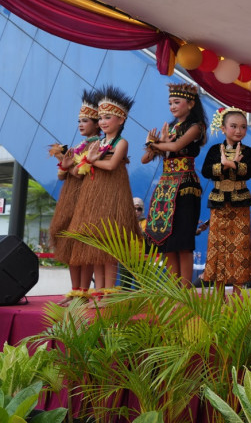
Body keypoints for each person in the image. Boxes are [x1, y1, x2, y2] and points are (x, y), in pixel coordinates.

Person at [66, 86, 142, 293]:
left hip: (113, 197)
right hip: (95, 197)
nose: (102, 122)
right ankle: (98, 293)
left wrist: (91, 161)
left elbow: (111, 165)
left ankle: (108, 293)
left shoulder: (121, 143)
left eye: (107, 117)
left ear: (121, 119)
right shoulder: (98, 142)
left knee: (109, 247)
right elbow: (81, 168)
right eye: (100, 118)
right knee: (96, 249)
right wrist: (77, 163)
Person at [143, 83, 207, 285]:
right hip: (165, 187)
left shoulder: (196, 127)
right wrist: (156, 144)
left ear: (190, 103)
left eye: (176, 102)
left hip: (185, 185)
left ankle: (185, 288)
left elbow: (177, 145)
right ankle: (173, 289)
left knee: (183, 241)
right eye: (170, 102)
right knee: (166, 240)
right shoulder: (169, 128)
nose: (172, 106)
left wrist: (155, 143)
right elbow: (145, 159)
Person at [200, 107, 251, 298]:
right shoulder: (213, 150)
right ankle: (218, 296)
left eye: (243, 127)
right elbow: (206, 171)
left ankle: (238, 294)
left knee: (240, 248)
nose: (238, 131)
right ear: (223, 128)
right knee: (217, 247)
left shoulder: (248, 151)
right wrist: (222, 165)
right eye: (233, 126)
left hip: (240, 203)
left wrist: (234, 165)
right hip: (218, 203)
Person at [49, 89, 101, 305]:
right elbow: (63, 175)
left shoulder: (95, 145)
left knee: (83, 247)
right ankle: (74, 291)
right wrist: (63, 161)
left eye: (85, 120)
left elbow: (82, 173)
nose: (80, 124)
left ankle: (83, 293)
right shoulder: (80, 145)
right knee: (70, 246)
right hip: (71, 199)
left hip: (84, 199)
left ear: (97, 124)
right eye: (79, 121)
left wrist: (67, 165)